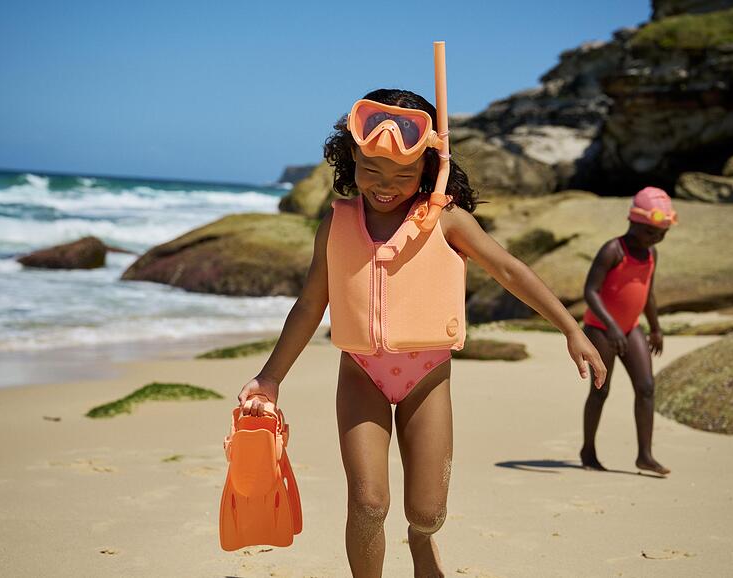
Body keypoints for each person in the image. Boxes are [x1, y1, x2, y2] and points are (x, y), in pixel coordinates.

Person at [238, 44, 605, 578]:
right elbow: (311, 303)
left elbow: (509, 271)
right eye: (370, 170)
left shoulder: (447, 221)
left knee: (427, 513)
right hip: (360, 372)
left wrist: (571, 329)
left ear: (431, 167)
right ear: (350, 161)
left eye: (401, 176)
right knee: (368, 504)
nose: (383, 187)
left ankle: (421, 543)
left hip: (426, 376)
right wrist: (270, 379)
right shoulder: (336, 225)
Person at [579, 186, 678, 476]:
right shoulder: (613, 250)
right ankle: (588, 451)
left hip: (631, 328)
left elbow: (647, 293)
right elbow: (591, 292)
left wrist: (656, 328)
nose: (654, 239)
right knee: (601, 390)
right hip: (601, 328)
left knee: (646, 387)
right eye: (649, 232)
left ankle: (645, 455)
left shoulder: (651, 254)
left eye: (660, 234)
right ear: (633, 221)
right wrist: (611, 327)